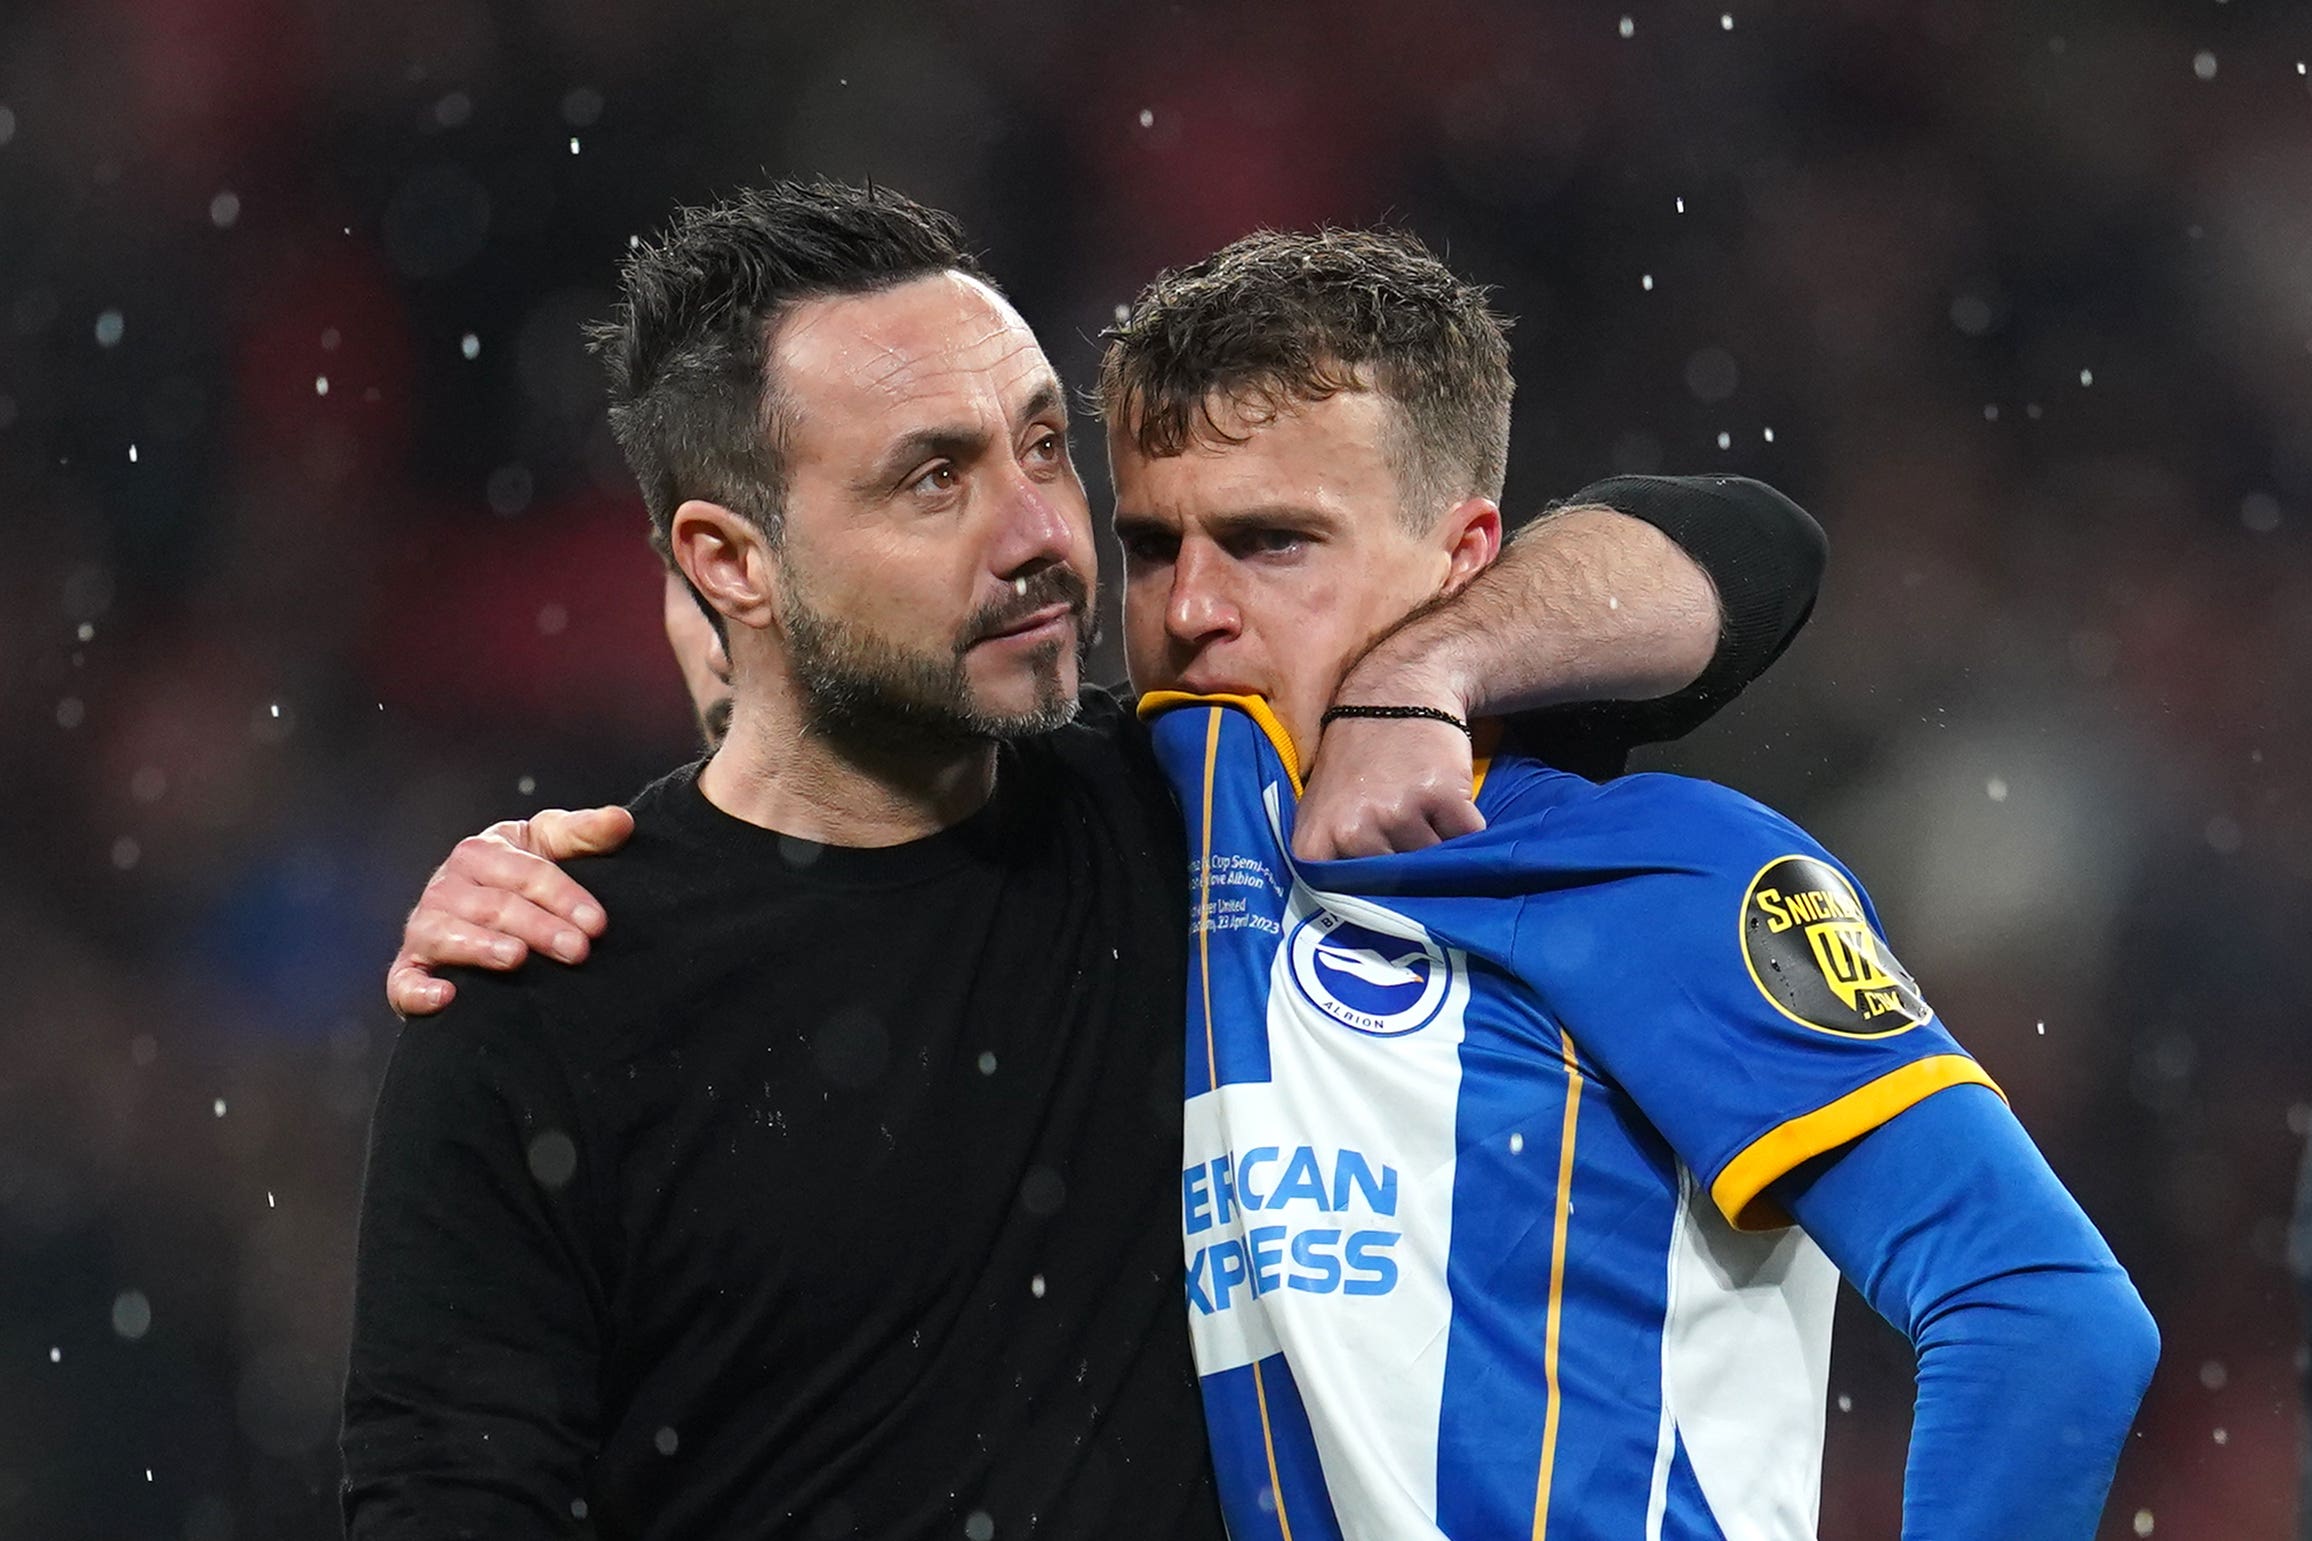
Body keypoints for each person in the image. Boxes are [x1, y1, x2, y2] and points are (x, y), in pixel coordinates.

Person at [344, 183, 1825, 1540]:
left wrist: (1427, 669)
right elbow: (449, 1501)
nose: (1045, 533)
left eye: (1044, 444)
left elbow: (1748, 556)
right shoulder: (545, 994)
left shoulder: (1198, 815)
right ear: (731, 561)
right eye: (936, 480)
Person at [1099, 231, 2159, 1537]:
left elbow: (2043, 1311)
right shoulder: (1150, 858)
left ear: (1464, 554)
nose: (1194, 605)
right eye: (1151, 546)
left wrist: (1427, 678)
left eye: (1273, 541)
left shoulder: (1662, 871)